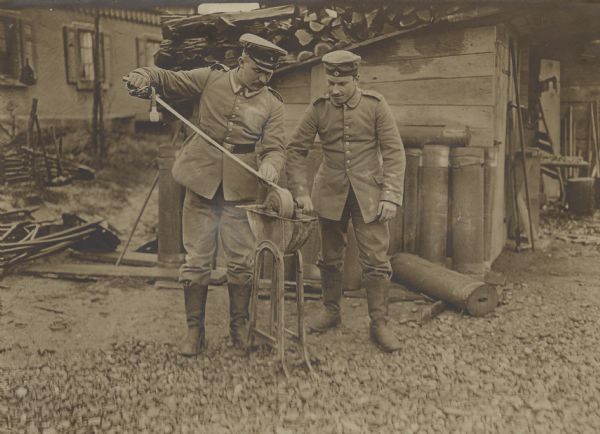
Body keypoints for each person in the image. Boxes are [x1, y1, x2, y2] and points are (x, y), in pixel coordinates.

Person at [125, 34, 287, 356]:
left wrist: (271, 165)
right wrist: (143, 76)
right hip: (200, 183)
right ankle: (194, 332)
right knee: (197, 258)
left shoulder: (272, 104)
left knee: (241, 262)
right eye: (257, 70)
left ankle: (239, 329)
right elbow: (166, 79)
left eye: (268, 73)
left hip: (241, 190)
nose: (263, 78)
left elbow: (276, 148)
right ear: (242, 61)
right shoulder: (210, 79)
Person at [286, 50, 406, 353]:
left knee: (376, 260)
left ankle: (379, 323)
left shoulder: (375, 106)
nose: (335, 90)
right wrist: (300, 191)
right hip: (329, 192)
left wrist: (390, 194)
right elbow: (295, 150)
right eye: (331, 83)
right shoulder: (318, 108)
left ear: (356, 79)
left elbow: (393, 151)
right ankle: (331, 312)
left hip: (369, 194)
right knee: (329, 257)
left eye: (342, 83)